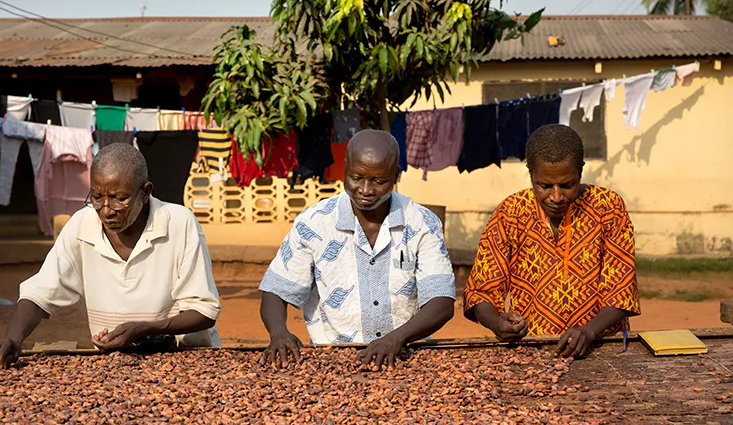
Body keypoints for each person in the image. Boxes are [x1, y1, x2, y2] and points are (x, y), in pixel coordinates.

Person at [0, 143, 221, 369]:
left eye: (120, 199)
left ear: (145, 192)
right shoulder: (82, 225)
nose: (106, 210)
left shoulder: (179, 223)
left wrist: (147, 329)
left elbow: (204, 311)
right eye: (97, 197)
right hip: (115, 362)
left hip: (184, 358)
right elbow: (39, 293)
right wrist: (13, 337)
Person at [259, 129, 456, 369]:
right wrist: (278, 332)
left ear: (395, 176)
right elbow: (276, 290)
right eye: (356, 177)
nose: (365, 190)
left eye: (378, 181)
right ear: (345, 168)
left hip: (406, 356)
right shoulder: (314, 222)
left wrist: (396, 338)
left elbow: (441, 302)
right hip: (333, 360)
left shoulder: (422, 222)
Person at [463, 124, 640, 359]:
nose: (556, 197)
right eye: (544, 186)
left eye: (567, 185)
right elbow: (481, 292)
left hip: (602, 348)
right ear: (531, 174)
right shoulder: (511, 213)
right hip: (531, 351)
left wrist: (588, 332)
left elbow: (621, 292)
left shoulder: (608, 208)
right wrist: (497, 323)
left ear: (581, 171)